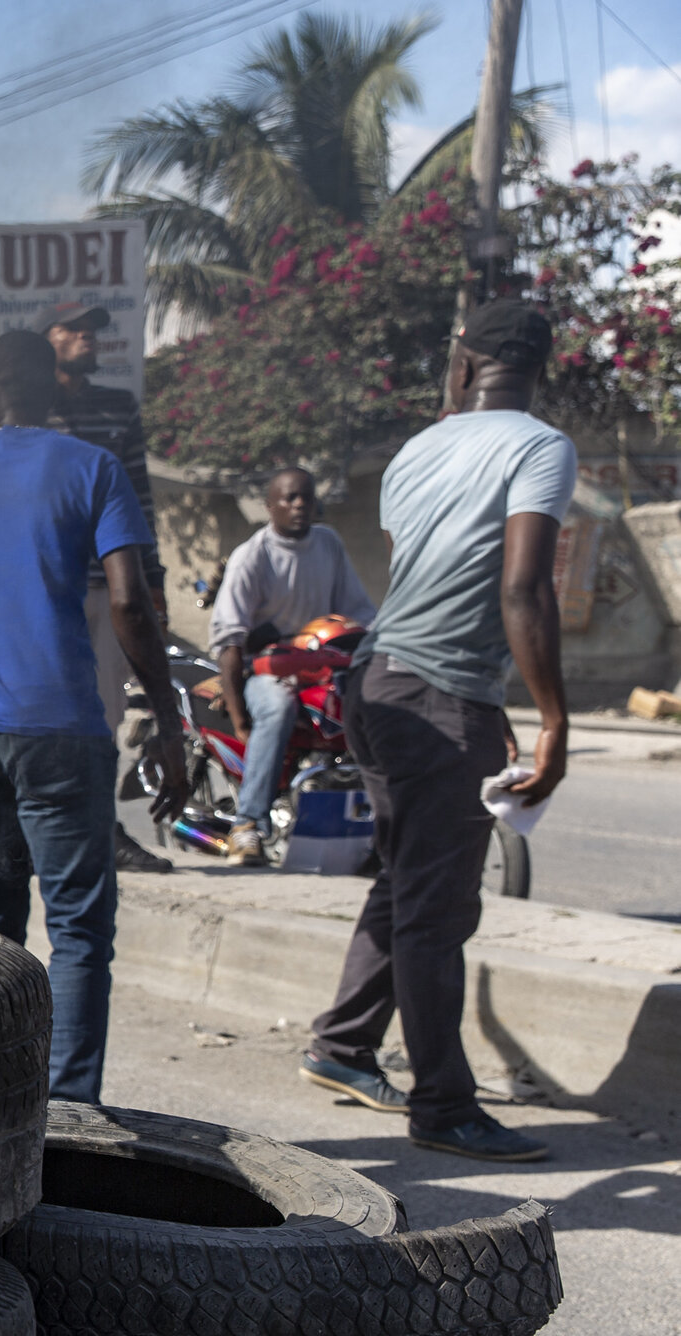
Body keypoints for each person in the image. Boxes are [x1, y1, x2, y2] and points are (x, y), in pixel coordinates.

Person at [300, 301, 572, 1163]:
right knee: (436, 909)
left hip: (373, 687)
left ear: (462, 364)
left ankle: (342, 1045)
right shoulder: (539, 448)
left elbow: (410, 566)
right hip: (443, 703)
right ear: (538, 370)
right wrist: (554, 718)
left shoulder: (418, 448)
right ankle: (444, 1107)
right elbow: (522, 590)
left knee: (404, 879)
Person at [0, 331, 187, 1105]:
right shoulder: (91, 467)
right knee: (80, 934)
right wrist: (166, 714)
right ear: (51, 396)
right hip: (63, 729)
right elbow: (130, 601)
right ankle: (68, 1114)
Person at [43, 300, 177, 876]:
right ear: (46, 337)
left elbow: (140, 498)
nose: (86, 339)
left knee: (104, 711)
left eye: (93, 332)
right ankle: (40, 832)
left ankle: (105, 832)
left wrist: (155, 583)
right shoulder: (28, 409)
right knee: (42, 712)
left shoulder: (118, 407)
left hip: (108, 584)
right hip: (46, 588)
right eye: (73, 330)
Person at [209, 467, 378, 865]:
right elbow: (229, 640)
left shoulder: (328, 543)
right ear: (270, 507)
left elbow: (358, 613)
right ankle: (248, 824)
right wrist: (238, 716)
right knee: (279, 708)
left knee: (372, 707)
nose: (300, 505)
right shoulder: (252, 556)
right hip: (263, 670)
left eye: (306, 497)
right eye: (289, 499)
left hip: (321, 664)